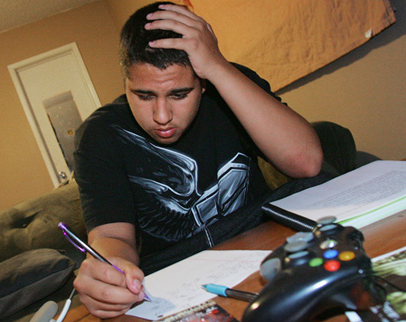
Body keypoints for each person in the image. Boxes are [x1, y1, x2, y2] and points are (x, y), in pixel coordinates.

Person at [72, 1, 323, 318]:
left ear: (202, 82)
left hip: (258, 238)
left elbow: (307, 163)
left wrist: (218, 66)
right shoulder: (101, 135)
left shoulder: (228, 85)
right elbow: (112, 237)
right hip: (175, 270)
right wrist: (112, 266)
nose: (162, 117)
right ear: (124, 82)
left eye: (179, 94)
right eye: (144, 95)